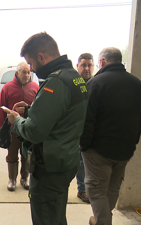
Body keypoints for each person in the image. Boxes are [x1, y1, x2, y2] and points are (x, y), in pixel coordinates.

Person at [5, 32, 88, 225]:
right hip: (66, 159)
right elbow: (64, 114)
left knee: (46, 217)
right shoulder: (73, 77)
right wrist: (31, 109)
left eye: (31, 63)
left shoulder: (56, 82)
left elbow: (35, 131)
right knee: (56, 214)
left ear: (42, 56)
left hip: (50, 166)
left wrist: (16, 120)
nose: (32, 69)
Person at [80, 47, 141, 225]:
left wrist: (84, 145)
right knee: (112, 188)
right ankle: (101, 218)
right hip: (125, 150)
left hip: (98, 151)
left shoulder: (96, 83)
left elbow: (87, 119)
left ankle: (102, 221)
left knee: (96, 190)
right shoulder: (137, 84)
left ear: (102, 62)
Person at [0, 62, 38, 191]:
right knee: (12, 155)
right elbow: (0, 109)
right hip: (13, 130)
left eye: (28, 72)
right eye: (23, 72)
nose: (26, 75)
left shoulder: (36, 87)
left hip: (29, 130)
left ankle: (24, 179)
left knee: (27, 155)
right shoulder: (7, 88)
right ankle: (12, 179)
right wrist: (0, 129)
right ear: (17, 73)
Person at [75, 53, 95, 203]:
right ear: (78, 66)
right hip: (75, 129)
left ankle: (87, 189)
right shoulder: (73, 83)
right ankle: (82, 190)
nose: (87, 68)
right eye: (84, 65)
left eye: (90, 65)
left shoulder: (97, 83)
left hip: (92, 130)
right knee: (80, 161)